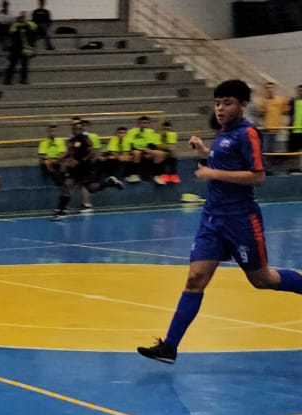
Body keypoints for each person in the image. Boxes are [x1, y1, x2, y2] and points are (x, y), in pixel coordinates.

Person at [139, 80, 302, 363]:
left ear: (242, 105)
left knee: (262, 280)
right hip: (213, 219)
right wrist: (205, 151)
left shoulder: (248, 133)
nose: (220, 108)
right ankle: (169, 347)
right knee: (195, 279)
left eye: (227, 102)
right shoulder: (224, 134)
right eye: (217, 103)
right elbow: (225, 162)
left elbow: (257, 176)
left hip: (240, 219)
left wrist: (212, 174)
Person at [51, 120, 122, 219]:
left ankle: (109, 182)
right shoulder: (71, 141)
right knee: (67, 185)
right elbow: (69, 152)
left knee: (92, 188)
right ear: (72, 130)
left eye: (79, 129)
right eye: (75, 129)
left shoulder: (86, 139)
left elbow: (92, 153)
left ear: (82, 130)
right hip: (74, 170)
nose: (77, 131)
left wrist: (80, 161)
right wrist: (61, 159)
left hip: (85, 169)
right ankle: (61, 211)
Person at [4, 11, 37, 85]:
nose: (22, 18)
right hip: (16, 47)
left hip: (26, 47)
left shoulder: (31, 24)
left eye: (24, 17)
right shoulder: (15, 25)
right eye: (21, 17)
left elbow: (34, 32)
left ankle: (24, 79)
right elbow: (11, 33)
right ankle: (8, 80)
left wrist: (26, 25)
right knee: (12, 65)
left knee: (25, 65)